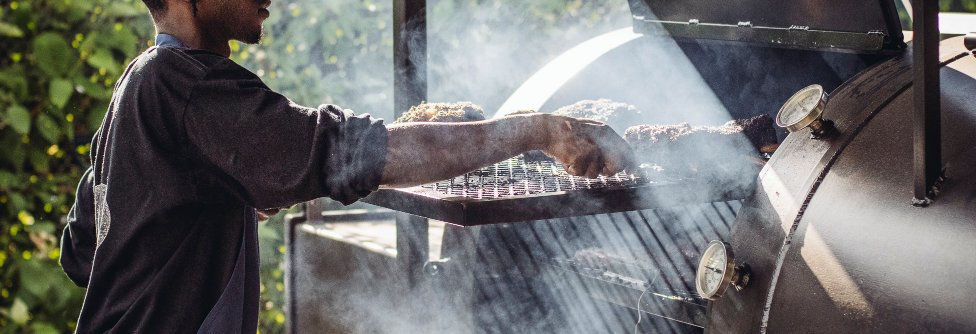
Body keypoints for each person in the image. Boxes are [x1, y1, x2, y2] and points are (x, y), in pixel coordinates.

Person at [58, 0, 635, 332]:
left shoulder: (140, 84)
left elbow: (83, 252)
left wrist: (216, 204)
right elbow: (364, 154)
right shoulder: (190, 86)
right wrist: (538, 131)